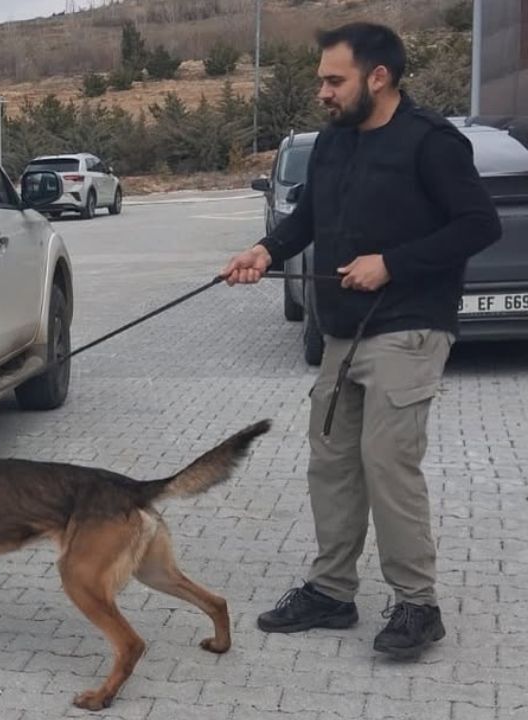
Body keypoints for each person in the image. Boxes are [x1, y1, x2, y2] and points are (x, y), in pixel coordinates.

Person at [221, 22, 501, 659]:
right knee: (332, 462)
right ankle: (331, 592)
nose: (322, 91)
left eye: (334, 80)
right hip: (342, 332)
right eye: (322, 79)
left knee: (387, 463)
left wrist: (392, 264)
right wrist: (264, 251)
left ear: (379, 77)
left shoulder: (431, 142)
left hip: (410, 326)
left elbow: (478, 224)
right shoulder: (333, 141)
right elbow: (309, 218)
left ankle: (418, 605)